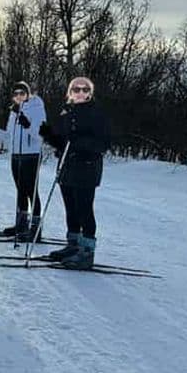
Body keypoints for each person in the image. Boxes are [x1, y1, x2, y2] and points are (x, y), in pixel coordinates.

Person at [39, 77, 111, 269]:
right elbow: (63, 142)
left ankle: (87, 251)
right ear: (70, 92)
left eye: (84, 89)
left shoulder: (95, 113)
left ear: (90, 92)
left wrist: (79, 143)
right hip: (67, 168)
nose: (80, 92)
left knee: (84, 209)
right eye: (76, 89)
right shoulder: (67, 112)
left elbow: (102, 143)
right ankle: (73, 244)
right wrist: (49, 136)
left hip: (86, 167)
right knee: (71, 209)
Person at [0, 81, 46, 240]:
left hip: (31, 155)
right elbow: (8, 136)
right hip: (16, 155)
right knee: (21, 191)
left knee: (32, 191)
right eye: (16, 94)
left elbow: (40, 135)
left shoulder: (37, 108)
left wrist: (27, 125)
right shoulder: (13, 111)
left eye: (22, 93)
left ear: (28, 94)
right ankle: (21, 225)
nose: (19, 96)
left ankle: (36, 230)